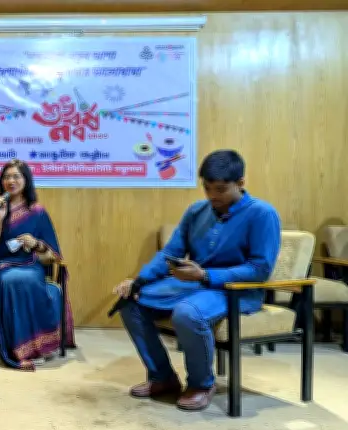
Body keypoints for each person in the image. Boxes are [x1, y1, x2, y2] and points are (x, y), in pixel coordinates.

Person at [112, 149, 281, 411]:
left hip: (237, 291)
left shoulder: (262, 214)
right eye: (207, 188)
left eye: (221, 189)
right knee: (130, 302)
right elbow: (170, 254)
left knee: (188, 313)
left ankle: (201, 384)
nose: (212, 196)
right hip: (193, 285)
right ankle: (162, 377)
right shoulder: (196, 211)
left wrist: (206, 275)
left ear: (240, 183)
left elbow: (260, 269)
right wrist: (138, 281)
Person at [0, 159, 76, 370]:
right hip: (1, 265)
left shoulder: (37, 211)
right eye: (6, 177)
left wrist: (36, 243)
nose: (11, 181)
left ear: (26, 180)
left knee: (26, 279)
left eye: (16, 176)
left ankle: (39, 347)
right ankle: (17, 350)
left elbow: (50, 254)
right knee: (8, 280)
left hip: (29, 264)